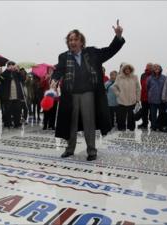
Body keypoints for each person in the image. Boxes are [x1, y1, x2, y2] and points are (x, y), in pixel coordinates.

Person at [51, 20, 125, 161]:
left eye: (75, 39)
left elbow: (110, 50)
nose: (72, 42)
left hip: (88, 93)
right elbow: (58, 71)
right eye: (70, 39)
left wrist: (118, 37)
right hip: (70, 95)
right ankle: (69, 149)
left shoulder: (91, 52)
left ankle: (91, 150)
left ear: (81, 41)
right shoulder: (63, 56)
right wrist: (54, 81)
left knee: (88, 122)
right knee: (70, 123)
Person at [112, 64, 140, 131]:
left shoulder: (135, 77)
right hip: (122, 100)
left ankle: (131, 128)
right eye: (126, 69)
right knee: (121, 116)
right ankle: (121, 128)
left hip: (132, 100)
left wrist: (138, 99)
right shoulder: (119, 77)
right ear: (123, 69)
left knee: (131, 116)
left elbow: (138, 88)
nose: (127, 70)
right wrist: (118, 94)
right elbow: (114, 87)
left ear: (131, 69)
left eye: (128, 68)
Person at [0, 61, 25, 128]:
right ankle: (7, 123)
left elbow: (22, 79)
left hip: (17, 95)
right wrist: (7, 70)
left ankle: (17, 123)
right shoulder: (5, 73)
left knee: (17, 110)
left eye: (12, 65)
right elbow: (1, 78)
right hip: (8, 95)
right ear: (7, 66)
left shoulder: (16, 73)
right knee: (7, 111)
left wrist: (18, 71)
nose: (11, 66)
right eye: (9, 65)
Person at [147, 64, 166, 131]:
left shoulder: (164, 77)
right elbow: (148, 87)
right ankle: (153, 126)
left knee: (161, 114)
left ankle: (160, 126)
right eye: (155, 67)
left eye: (158, 67)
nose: (156, 68)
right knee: (153, 114)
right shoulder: (149, 78)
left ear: (160, 69)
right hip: (152, 99)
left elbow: (166, 88)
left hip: (161, 99)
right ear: (153, 69)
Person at [137, 63, 153, 129]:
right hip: (144, 96)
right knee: (144, 112)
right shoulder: (143, 75)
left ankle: (153, 124)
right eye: (148, 66)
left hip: (152, 97)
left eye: (150, 66)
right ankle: (144, 123)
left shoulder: (154, 74)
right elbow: (142, 84)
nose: (149, 67)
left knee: (152, 112)